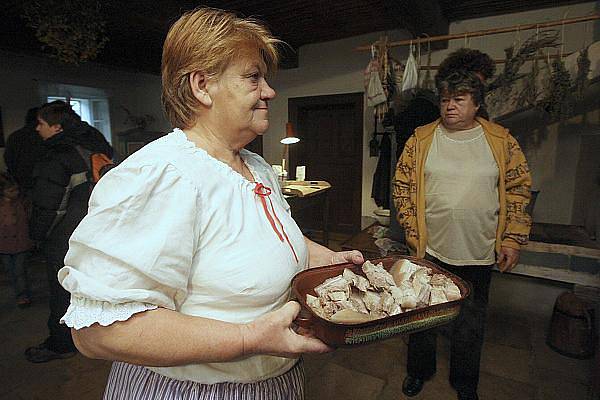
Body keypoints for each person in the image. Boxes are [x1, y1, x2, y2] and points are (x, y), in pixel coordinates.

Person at [57, 7, 363, 399]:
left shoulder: (254, 166)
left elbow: (273, 239)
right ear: (202, 86)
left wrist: (329, 260)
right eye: (253, 78)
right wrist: (247, 338)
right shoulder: (163, 175)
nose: (269, 91)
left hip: (275, 381)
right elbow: (97, 332)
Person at [392, 68, 532, 400]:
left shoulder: (500, 140)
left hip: (479, 251)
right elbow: (402, 188)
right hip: (431, 250)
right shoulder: (421, 139)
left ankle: (465, 382)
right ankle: (419, 371)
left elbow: (518, 190)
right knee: (422, 316)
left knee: (471, 323)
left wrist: (512, 238)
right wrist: (414, 234)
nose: (449, 106)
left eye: (459, 99)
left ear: (476, 103)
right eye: (444, 99)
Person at [25, 100, 114, 363]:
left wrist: (37, 235)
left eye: (40, 124)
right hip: (97, 230)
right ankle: (98, 337)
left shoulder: (56, 155)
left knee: (62, 290)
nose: (37, 129)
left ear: (56, 127)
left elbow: (48, 206)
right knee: (92, 286)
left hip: (65, 237)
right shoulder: (95, 145)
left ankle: (62, 343)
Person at [0, 172, 33, 307]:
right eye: (11, 190)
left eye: (16, 190)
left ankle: (22, 295)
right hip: (4, 244)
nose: (15, 193)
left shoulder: (21, 203)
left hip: (21, 243)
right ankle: (19, 291)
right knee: (11, 270)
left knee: (19, 271)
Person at [4, 107, 47, 197]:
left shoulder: (15, 136)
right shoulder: (44, 138)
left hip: (19, 182)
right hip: (39, 183)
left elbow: (8, 159)